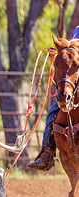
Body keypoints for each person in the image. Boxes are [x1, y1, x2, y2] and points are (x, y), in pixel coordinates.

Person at [29, 26, 79, 171]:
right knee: (53, 112)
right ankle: (47, 152)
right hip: (75, 82)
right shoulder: (77, 29)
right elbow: (72, 52)